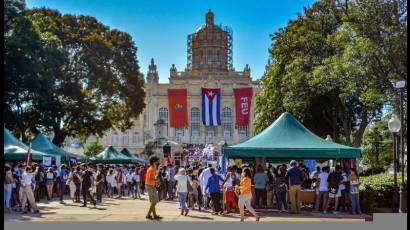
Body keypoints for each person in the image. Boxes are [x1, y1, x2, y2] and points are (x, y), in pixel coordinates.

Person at [145, 156, 162, 220]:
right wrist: (157, 180)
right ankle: (148, 214)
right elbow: (151, 178)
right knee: (154, 201)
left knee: (153, 201)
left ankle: (154, 215)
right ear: (154, 161)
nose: (158, 162)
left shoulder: (154, 168)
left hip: (151, 185)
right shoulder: (151, 168)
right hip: (150, 186)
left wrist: (157, 180)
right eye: (157, 160)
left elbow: (153, 177)